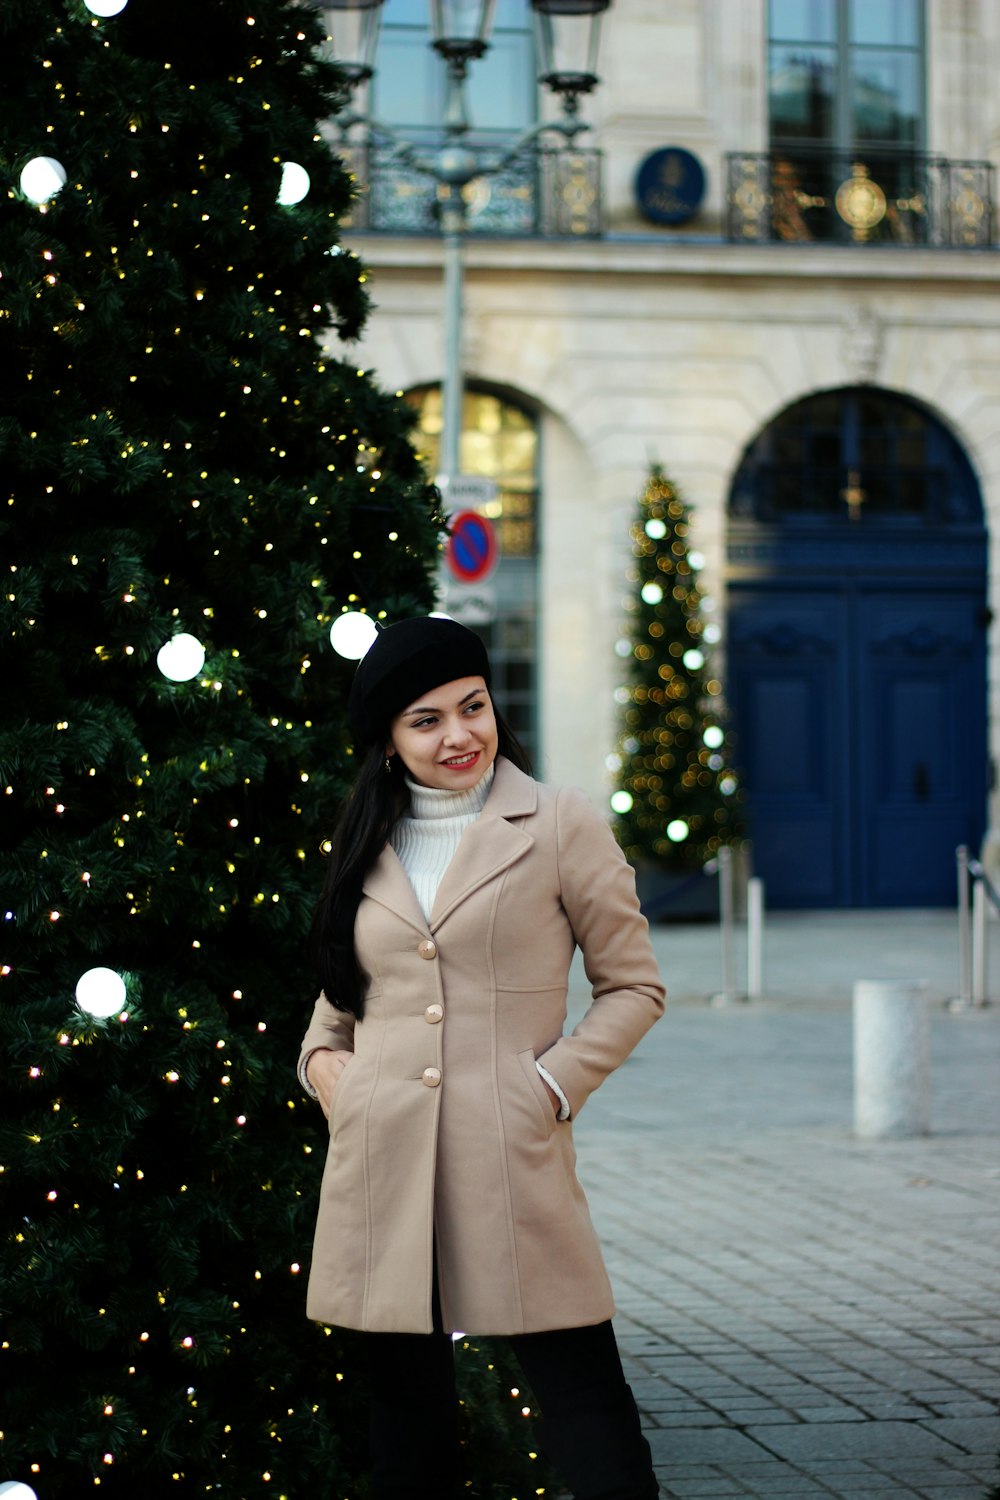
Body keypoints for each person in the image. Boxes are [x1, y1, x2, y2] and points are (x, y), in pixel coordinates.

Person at [299, 615, 665, 1500]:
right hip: (383, 1161)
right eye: (426, 721)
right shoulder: (365, 840)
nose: (459, 735)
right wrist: (326, 1073)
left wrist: (547, 1086)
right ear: (388, 741)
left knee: (586, 1405)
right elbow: (340, 999)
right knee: (407, 1430)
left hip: (509, 1154)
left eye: (473, 707)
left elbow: (634, 987)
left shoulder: (559, 824)